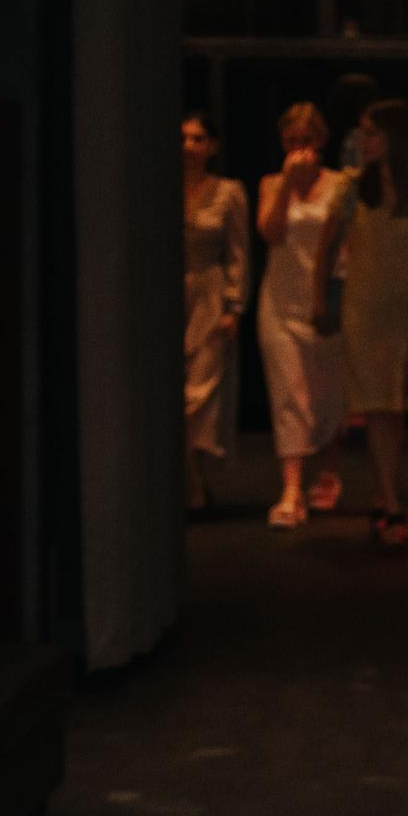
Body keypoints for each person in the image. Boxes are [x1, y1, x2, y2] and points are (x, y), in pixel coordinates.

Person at [313, 98, 408, 547]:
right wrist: (319, 301)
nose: (363, 141)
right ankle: (391, 504)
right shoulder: (352, 186)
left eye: (371, 132)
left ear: (395, 137)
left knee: (396, 403)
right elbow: (325, 250)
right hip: (364, 307)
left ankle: (382, 492)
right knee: (375, 402)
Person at [256, 101, 349, 528]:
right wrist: (286, 185)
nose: (299, 149)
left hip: (327, 300)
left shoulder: (340, 184)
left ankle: (328, 470)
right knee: (288, 391)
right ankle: (291, 488)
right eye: (291, 141)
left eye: (306, 141)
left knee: (329, 391)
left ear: (321, 142)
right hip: (280, 302)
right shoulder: (271, 183)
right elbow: (269, 233)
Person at [180, 111, 249, 514]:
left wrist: (235, 304)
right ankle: (188, 480)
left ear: (212, 146)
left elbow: (237, 251)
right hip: (169, 296)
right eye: (184, 138)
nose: (189, 147)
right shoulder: (159, 187)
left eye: (198, 138)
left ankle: (191, 478)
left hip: (209, 296)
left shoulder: (227, 192)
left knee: (200, 394)